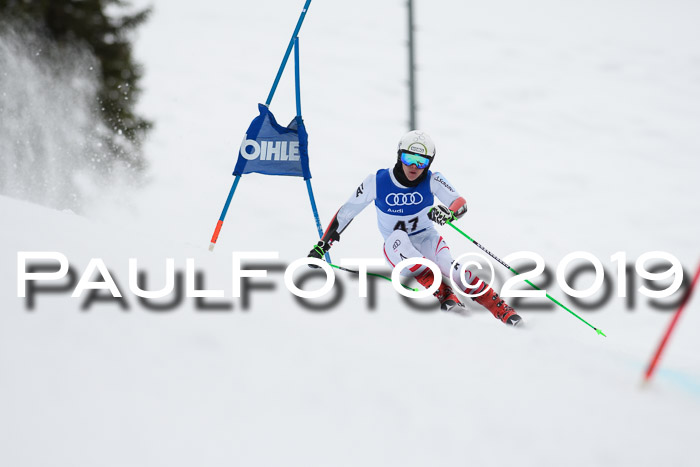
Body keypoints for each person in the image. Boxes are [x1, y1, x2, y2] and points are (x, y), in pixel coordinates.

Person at [308, 130, 522, 326]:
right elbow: (347, 212)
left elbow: (460, 203)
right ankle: (443, 291)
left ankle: (501, 309)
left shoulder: (433, 180)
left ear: (428, 163)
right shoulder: (377, 181)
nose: (413, 167)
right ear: (399, 156)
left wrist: (449, 213)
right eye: (408, 158)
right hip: (396, 247)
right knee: (400, 238)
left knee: (451, 267)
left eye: (421, 162)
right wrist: (322, 246)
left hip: (426, 238)